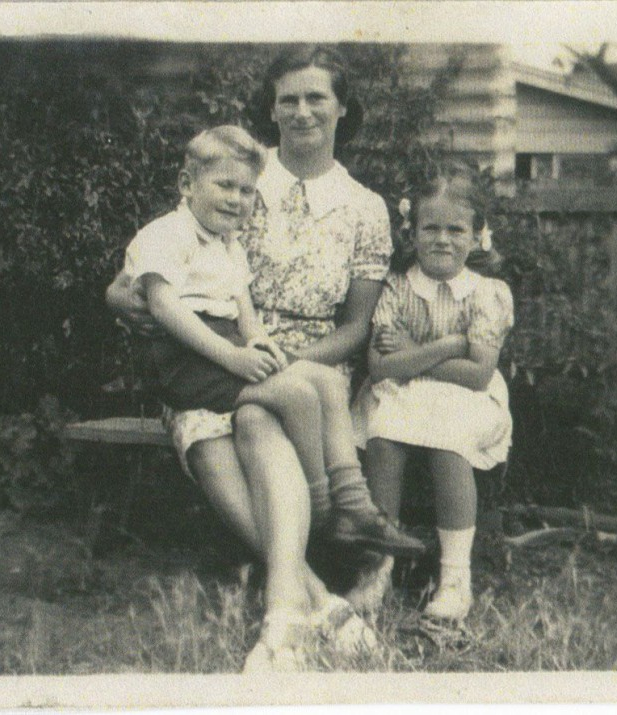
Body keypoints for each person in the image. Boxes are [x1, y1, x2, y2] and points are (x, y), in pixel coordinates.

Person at [107, 47, 420, 671]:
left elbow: (357, 326)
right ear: (271, 108)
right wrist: (120, 297)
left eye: (317, 97)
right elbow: (137, 278)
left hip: (303, 365)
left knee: (262, 414)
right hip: (214, 357)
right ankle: (319, 602)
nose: (302, 111)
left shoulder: (365, 208)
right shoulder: (235, 173)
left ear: (342, 107)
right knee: (245, 418)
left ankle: (291, 598)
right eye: (289, 98)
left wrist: (280, 359)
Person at [121, 125, 423, 556]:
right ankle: (321, 518)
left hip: (224, 348)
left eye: (245, 191)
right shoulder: (167, 234)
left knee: (325, 381)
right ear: (186, 185)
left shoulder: (228, 242)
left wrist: (260, 344)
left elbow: (244, 310)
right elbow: (165, 307)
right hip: (185, 358)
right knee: (296, 395)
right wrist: (234, 357)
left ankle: (354, 505)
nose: (236, 199)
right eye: (225, 186)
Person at [355, 161, 514, 622]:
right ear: (413, 232)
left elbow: (479, 374)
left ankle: (454, 578)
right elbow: (380, 366)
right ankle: (378, 568)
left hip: (468, 400)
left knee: (449, 443)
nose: (442, 239)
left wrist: (416, 352)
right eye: (431, 228)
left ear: (477, 235)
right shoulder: (397, 289)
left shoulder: (487, 293)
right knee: (382, 437)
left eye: (456, 229)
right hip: (400, 391)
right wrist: (448, 345)